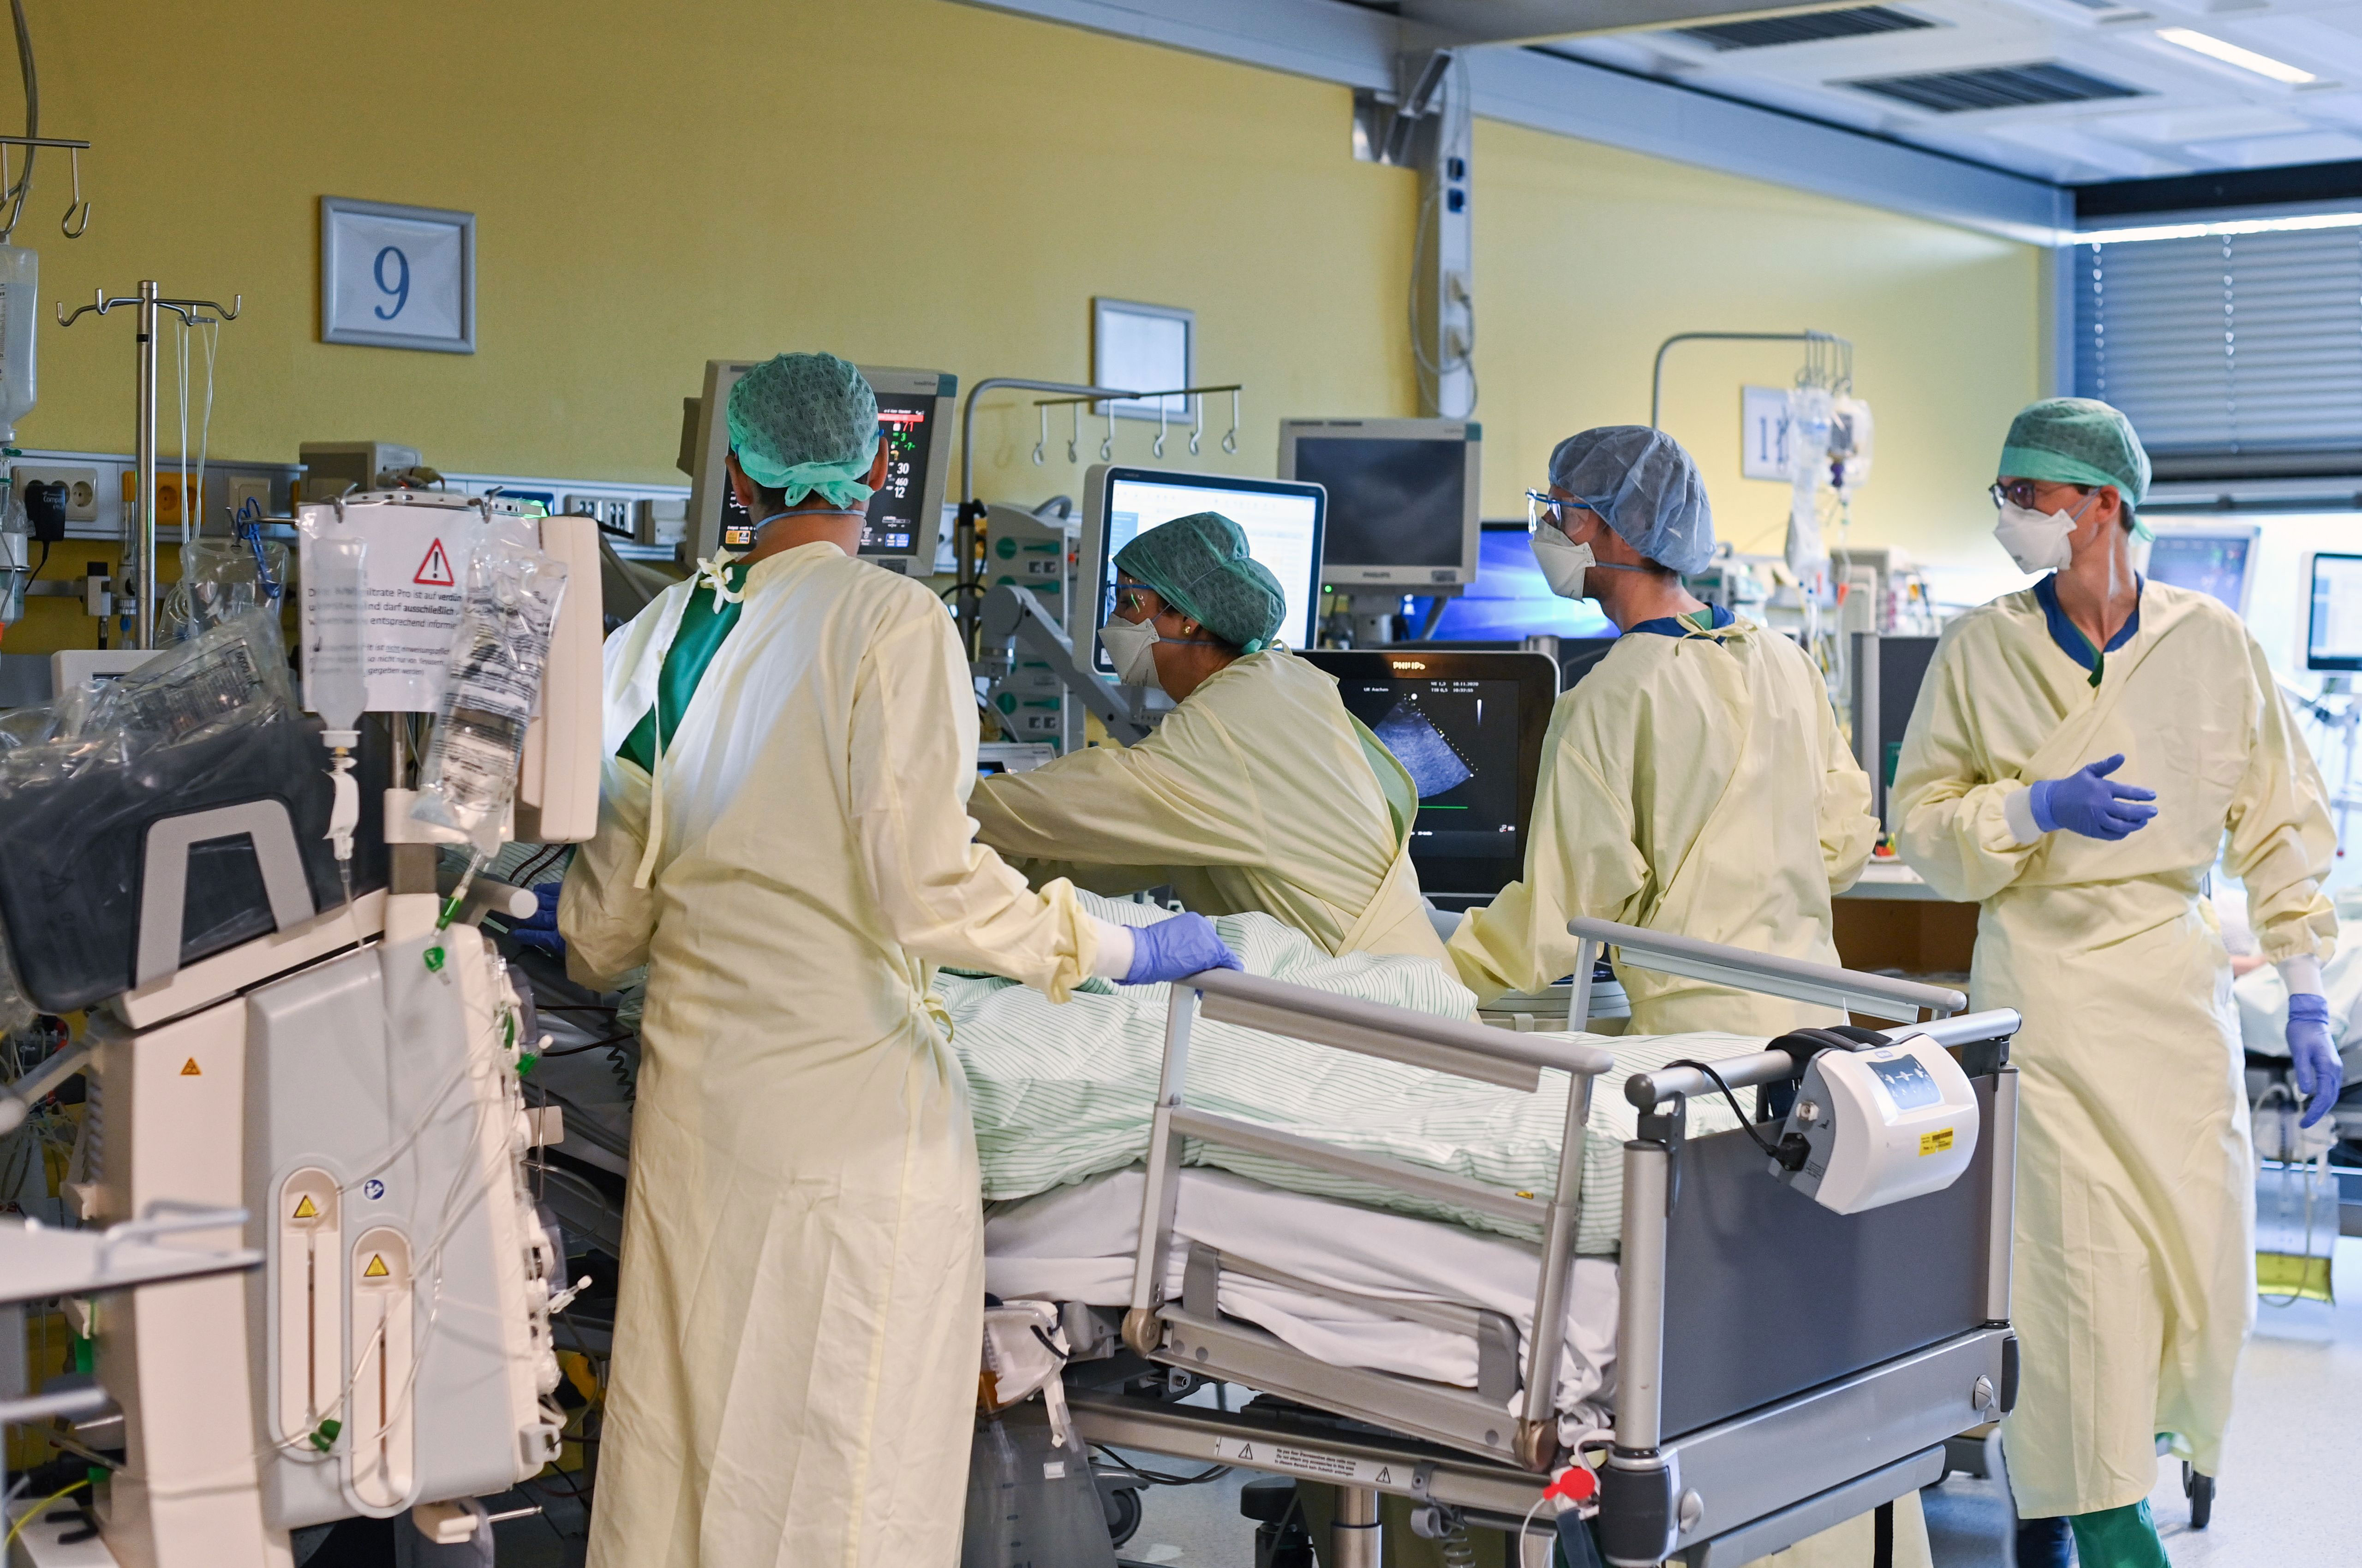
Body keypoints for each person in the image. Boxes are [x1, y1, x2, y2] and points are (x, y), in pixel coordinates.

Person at [561, 352, 1238, 1568]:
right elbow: (928, 892)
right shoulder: (891, 619)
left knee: (686, 1446)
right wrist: (1118, 944)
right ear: (878, 466)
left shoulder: (661, 634)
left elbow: (600, 934)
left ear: (733, 472)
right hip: (853, 1128)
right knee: (841, 1468)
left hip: (698, 1112)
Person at [1890, 396, 2339, 1568]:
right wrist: (2031, 807)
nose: (2010, 516)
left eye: (2029, 496)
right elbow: (1923, 824)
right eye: (2003, 496)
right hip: (2046, 986)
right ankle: (2094, 1514)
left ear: (2104, 506)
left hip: (2174, 996)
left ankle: (2116, 1469)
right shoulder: (1980, 648)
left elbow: (2281, 821)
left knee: (2197, 1271)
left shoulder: (2211, 644)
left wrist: (2302, 987)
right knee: (2075, 1280)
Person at [1445, 425, 1882, 1036]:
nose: (1547, 530)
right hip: (1813, 1027)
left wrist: (1426, 973)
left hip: (1696, 1044)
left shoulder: (1609, 696)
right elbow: (1842, 848)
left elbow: (1555, 917)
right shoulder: (1786, 660)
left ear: (1618, 529)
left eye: (1560, 512)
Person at [968, 509, 1450, 963]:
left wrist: (928, 803)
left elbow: (1074, 803)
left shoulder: (1234, 721)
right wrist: (965, 866)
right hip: (1394, 979)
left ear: (1186, 617)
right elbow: (1108, 852)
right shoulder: (1280, 682)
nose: (1114, 622)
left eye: (1128, 603)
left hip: (1380, 1001)